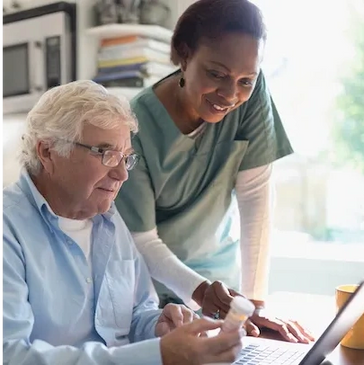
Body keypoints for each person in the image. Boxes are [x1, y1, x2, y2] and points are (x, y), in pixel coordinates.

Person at [0, 80, 245, 365]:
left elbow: (134, 313)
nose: (121, 174)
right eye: (106, 154)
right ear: (48, 151)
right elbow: (10, 355)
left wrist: (157, 326)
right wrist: (159, 354)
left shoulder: (110, 220)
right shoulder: (8, 229)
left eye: (126, 158)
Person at [115, 0, 315, 344]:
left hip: (227, 292)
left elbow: (255, 195)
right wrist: (201, 291)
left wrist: (253, 302)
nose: (230, 94)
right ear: (184, 53)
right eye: (216, 74)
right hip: (157, 299)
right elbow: (142, 240)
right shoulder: (134, 124)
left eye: (245, 81)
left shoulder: (252, 94)